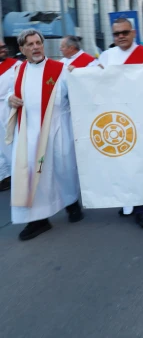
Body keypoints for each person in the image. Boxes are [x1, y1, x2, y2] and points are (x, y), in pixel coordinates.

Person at [5, 29, 83, 240]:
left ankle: (71, 204)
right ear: (22, 49)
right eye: (29, 44)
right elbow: (11, 93)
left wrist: (89, 76)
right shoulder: (19, 71)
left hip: (58, 130)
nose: (35, 47)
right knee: (33, 176)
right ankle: (38, 220)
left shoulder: (60, 69)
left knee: (63, 171)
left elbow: (80, 92)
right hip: (29, 134)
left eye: (38, 42)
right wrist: (11, 99)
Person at [98, 18, 143, 228]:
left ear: (133, 33)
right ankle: (128, 201)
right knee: (121, 162)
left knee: (141, 162)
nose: (121, 36)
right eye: (117, 34)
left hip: (142, 116)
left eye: (125, 32)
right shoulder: (106, 56)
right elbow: (92, 80)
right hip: (117, 118)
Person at [0, 40, 20, 191]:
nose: (3, 50)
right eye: (0, 48)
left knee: (10, 142)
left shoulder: (15, 65)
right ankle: (4, 176)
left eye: (4, 47)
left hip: (7, 108)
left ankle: (17, 174)